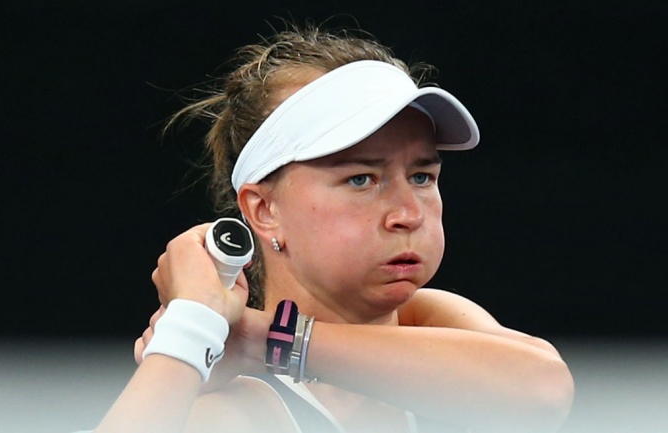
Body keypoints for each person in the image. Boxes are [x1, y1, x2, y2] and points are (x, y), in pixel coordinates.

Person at [88, 26, 574, 433]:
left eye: (422, 176)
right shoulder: (241, 410)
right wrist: (191, 331)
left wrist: (259, 338)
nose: (408, 212)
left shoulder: (428, 317)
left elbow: (543, 390)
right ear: (263, 210)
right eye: (360, 178)